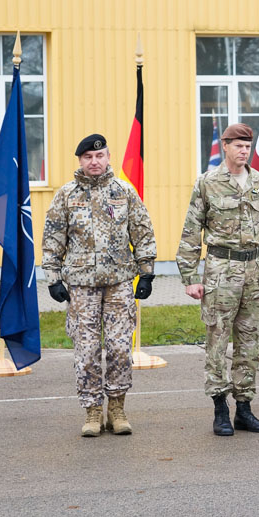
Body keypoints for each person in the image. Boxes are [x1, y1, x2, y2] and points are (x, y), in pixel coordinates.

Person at [42, 134, 156, 437]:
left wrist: (146, 273)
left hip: (118, 285)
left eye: (100, 156)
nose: (95, 162)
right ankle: (92, 410)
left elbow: (142, 232)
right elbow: (53, 239)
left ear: (108, 158)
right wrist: (53, 279)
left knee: (119, 348)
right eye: (88, 157)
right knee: (87, 351)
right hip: (81, 287)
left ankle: (116, 408)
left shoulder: (124, 192)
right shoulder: (66, 195)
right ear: (80, 160)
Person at [176, 123, 259, 437]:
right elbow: (192, 231)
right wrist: (190, 277)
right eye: (238, 145)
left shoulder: (257, 180)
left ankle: (244, 408)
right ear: (225, 147)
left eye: (247, 146)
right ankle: (220, 408)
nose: (244, 151)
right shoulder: (208, 182)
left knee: (250, 343)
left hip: (254, 272)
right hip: (221, 272)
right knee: (217, 342)